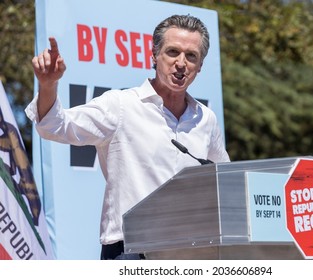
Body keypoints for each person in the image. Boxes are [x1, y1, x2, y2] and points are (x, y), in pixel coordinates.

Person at [25, 14, 230, 260]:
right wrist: (48, 85)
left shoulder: (205, 119)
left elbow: (225, 182)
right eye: (173, 52)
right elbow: (55, 126)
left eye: (191, 56)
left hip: (190, 252)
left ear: (200, 65)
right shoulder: (121, 105)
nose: (181, 63)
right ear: (154, 55)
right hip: (131, 250)